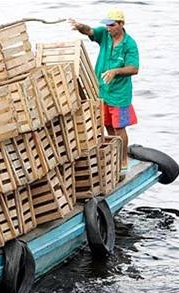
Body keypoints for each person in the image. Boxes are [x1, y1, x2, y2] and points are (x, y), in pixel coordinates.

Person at [69, 8, 139, 172]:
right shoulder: (105, 35)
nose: (108, 28)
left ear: (121, 24)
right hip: (103, 91)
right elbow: (90, 31)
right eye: (107, 25)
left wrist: (115, 71)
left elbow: (134, 68)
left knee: (119, 128)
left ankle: (122, 161)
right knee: (107, 125)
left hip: (120, 95)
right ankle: (113, 157)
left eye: (112, 25)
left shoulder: (129, 44)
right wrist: (79, 26)